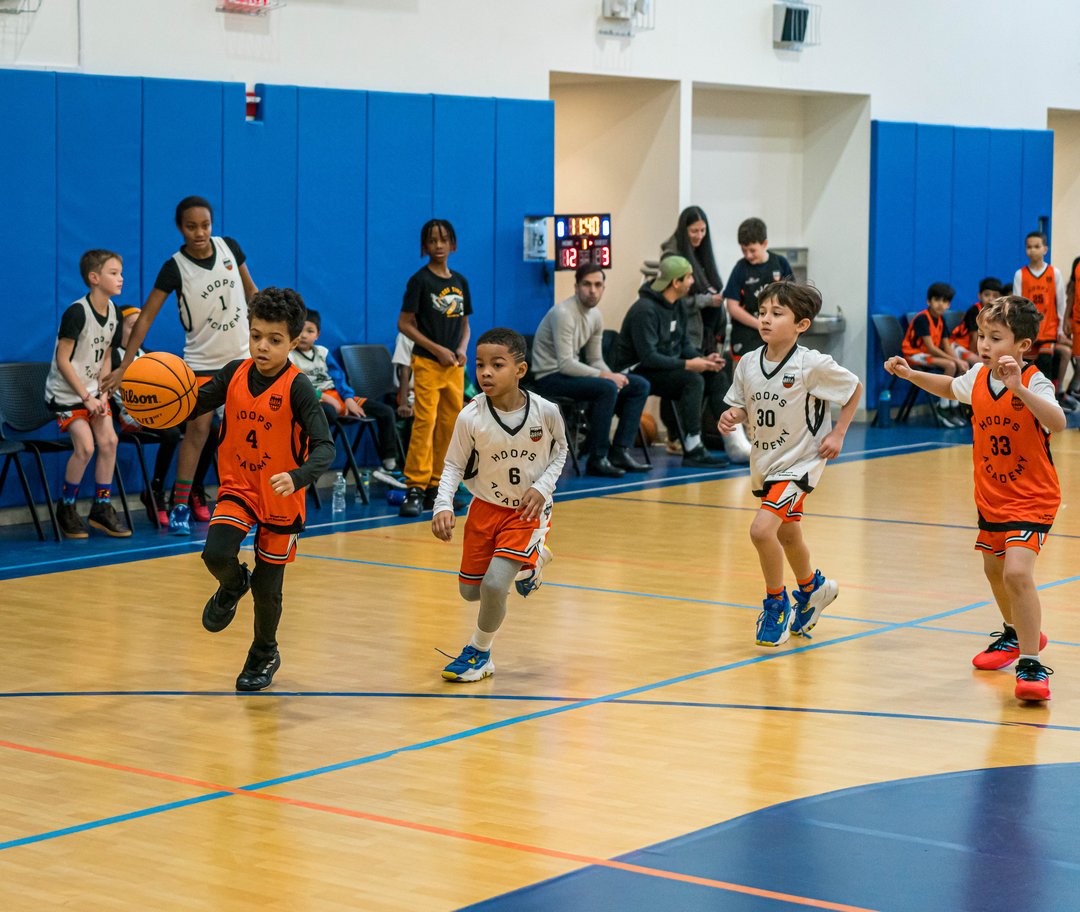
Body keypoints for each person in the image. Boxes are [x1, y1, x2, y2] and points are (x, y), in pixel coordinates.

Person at [885, 295, 1065, 702]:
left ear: (1022, 345)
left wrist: (1019, 388)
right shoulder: (978, 377)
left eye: (995, 338)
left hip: (1032, 497)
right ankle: (1017, 632)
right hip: (991, 495)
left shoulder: (1034, 380)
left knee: (1017, 573)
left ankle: (1031, 662)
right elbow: (950, 387)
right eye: (982, 336)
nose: (984, 344)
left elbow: (1057, 422)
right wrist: (911, 374)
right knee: (994, 570)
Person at [195, 287, 335, 692]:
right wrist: (157, 405)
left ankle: (264, 653)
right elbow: (191, 404)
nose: (262, 346)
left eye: (274, 340)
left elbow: (325, 447)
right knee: (215, 553)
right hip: (239, 486)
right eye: (256, 336)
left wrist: (298, 476)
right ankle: (232, 583)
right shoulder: (234, 373)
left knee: (268, 588)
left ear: (293, 342)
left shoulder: (298, 387)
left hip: (281, 495)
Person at [104, 196, 259, 534]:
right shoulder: (175, 267)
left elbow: (252, 293)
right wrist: (124, 365)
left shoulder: (230, 248)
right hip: (202, 362)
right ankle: (179, 506)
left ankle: (243, 502)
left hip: (242, 359)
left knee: (243, 433)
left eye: (205, 225)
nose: (199, 232)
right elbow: (146, 318)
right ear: (179, 228)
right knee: (197, 432)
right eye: (191, 227)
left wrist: (269, 335)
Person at [718, 281, 861, 648]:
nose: (765, 319)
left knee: (761, 531)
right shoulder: (748, 363)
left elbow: (853, 388)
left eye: (777, 313)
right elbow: (746, 405)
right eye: (762, 312)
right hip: (766, 462)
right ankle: (813, 588)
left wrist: (838, 434)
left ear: (801, 324)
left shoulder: (810, 364)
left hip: (800, 463)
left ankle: (776, 604)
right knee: (787, 534)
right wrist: (734, 415)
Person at [432, 328, 567, 683]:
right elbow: (453, 465)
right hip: (484, 508)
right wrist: (443, 505)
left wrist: (542, 487)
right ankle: (533, 561)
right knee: (471, 592)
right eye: (480, 365)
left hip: (527, 512)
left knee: (494, 586)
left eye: (497, 364)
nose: (486, 372)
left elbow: (561, 451)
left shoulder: (546, 412)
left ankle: (479, 653)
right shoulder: (470, 417)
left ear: (520, 370)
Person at [531, 263, 650, 477]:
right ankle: (597, 458)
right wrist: (607, 377)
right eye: (587, 284)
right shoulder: (563, 313)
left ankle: (620, 451)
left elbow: (595, 359)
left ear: (603, 288)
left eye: (597, 285)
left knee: (639, 385)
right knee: (606, 388)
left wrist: (615, 377)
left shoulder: (595, 316)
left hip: (570, 375)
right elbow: (566, 363)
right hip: (550, 377)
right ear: (576, 287)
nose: (592, 290)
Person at [43, 249, 131, 539]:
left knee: (110, 441)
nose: (120, 278)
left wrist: (103, 393)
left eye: (120, 273)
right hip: (66, 394)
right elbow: (62, 359)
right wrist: (85, 397)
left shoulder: (115, 313)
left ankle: (101, 507)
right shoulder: (77, 312)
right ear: (94, 278)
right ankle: (67, 506)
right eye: (113, 273)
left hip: (93, 392)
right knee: (86, 447)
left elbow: (106, 355)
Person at [611, 256, 728, 468]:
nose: (692, 281)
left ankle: (732, 439)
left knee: (715, 375)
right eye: (689, 277)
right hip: (637, 370)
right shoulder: (644, 310)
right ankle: (693, 447)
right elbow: (648, 357)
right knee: (692, 379)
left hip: (661, 367)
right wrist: (689, 365)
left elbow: (683, 345)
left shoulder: (678, 304)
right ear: (676, 282)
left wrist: (702, 359)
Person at [397, 219, 471, 517]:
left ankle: (439, 487)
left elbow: (465, 325)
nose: (438, 245)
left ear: (453, 244)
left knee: (449, 426)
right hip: (428, 363)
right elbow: (404, 323)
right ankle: (415, 486)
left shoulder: (461, 282)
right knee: (424, 423)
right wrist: (436, 349)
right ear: (424, 246)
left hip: (453, 366)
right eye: (432, 240)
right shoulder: (420, 281)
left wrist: (462, 349)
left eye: (443, 239)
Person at [290, 308, 402, 487]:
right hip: (315, 400)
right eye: (300, 330)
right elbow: (294, 385)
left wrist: (348, 398)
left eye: (309, 331)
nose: (303, 335)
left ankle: (389, 464)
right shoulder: (290, 355)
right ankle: (309, 467)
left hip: (338, 397)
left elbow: (339, 378)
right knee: (328, 414)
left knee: (386, 411)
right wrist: (323, 397)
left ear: (317, 335)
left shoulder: (322, 352)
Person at [112, 305, 182, 528]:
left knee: (204, 428)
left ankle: (189, 491)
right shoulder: (112, 357)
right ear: (118, 329)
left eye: (140, 326)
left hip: (156, 410)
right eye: (132, 326)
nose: (137, 331)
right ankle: (156, 490)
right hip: (131, 416)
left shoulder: (149, 355)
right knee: (171, 434)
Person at [1012, 231, 1076, 411]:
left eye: (1036, 246)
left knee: (1046, 361)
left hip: (1049, 329)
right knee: (1029, 365)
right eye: (1029, 247)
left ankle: (1050, 401)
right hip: (1029, 331)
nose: (1032, 250)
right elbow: (1017, 305)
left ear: (1045, 249)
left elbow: (1061, 303)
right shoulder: (1020, 274)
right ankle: (1030, 401)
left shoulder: (1054, 273)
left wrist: (1061, 330)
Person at [660, 206, 728, 357]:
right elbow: (673, 299)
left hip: (707, 333)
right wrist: (707, 300)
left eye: (703, 230)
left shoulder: (700, 250)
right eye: (694, 231)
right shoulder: (672, 257)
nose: (699, 235)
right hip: (689, 335)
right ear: (684, 231)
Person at [722, 218, 794, 359]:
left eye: (752, 250)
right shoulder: (740, 268)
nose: (748, 255)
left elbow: (792, 299)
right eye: (744, 250)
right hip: (747, 335)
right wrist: (760, 323)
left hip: (776, 334)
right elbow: (732, 306)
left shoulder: (780, 263)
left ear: (764, 244)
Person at [901, 282, 967, 427]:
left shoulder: (941, 320)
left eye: (945, 301)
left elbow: (947, 346)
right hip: (913, 355)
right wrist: (955, 361)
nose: (940, 304)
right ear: (928, 301)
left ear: (949, 305)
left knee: (959, 364)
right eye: (937, 300)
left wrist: (959, 361)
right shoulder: (922, 318)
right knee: (950, 365)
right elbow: (931, 348)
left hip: (927, 355)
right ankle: (943, 407)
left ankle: (954, 405)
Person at [949, 278, 1002, 369]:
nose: (991, 298)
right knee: (980, 362)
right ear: (979, 295)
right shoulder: (974, 311)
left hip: (979, 348)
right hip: (957, 346)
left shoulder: (998, 313)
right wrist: (976, 356)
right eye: (987, 295)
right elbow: (974, 339)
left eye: (995, 296)